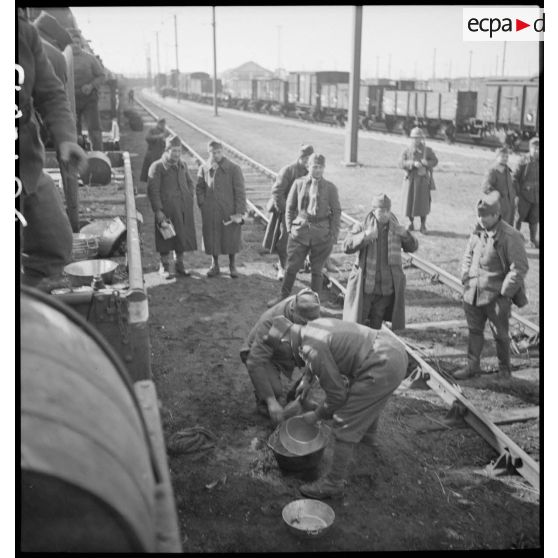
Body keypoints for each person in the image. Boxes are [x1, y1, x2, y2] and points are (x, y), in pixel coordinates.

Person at [264, 315, 408, 499]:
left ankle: (332, 483)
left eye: (282, 351)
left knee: (345, 421)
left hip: (381, 363)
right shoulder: (311, 328)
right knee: (366, 403)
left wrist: (316, 415)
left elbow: (337, 396)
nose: (286, 357)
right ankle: (367, 440)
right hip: (392, 350)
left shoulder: (311, 347)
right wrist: (307, 379)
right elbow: (318, 352)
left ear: (286, 342)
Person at [18, 10, 88, 290]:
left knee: (55, 241)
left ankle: (33, 305)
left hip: (27, 158)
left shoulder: (24, 32)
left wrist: (65, 137)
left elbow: (51, 91)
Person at [453, 192, 528, 381]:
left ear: (496, 215)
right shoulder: (478, 231)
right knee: (474, 331)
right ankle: (472, 366)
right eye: (479, 215)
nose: (481, 219)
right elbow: (468, 255)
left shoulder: (510, 236)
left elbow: (519, 267)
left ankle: (504, 370)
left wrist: (504, 292)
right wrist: (465, 276)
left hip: (496, 297)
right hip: (473, 293)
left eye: (484, 215)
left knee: (501, 335)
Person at [267, 153, 341, 307]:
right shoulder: (298, 183)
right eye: (315, 166)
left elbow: (336, 212)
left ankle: (314, 303)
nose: (318, 170)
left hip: (321, 234)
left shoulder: (330, 188)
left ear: (324, 168)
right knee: (292, 266)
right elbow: (290, 207)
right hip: (300, 232)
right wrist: (289, 228)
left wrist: (333, 235)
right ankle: (283, 296)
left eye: (321, 167)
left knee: (317, 270)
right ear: (308, 167)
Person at [240, 288, 321, 423]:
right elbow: (255, 362)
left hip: (285, 347)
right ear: (292, 311)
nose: (309, 326)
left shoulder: (310, 307)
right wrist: (271, 400)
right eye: (304, 322)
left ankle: (297, 396)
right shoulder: (275, 325)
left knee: (318, 358)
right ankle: (264, 403)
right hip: (262, 354)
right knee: (275, 391)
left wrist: (306, 380)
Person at [342, 193, 419, 330]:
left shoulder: (396, 228)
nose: (385, 214)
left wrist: (406, 235)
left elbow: (413, 247)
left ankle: (372, 348)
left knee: (376, 325)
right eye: (381, 211)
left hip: (386, 288)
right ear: (373, 211)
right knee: (358, 324)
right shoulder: (362, 226)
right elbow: (346, 246)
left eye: (388, 211)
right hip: (366, 287)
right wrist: (365, 236)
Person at [147, 135, 197, 276]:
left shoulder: (183, 165)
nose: (176, 154)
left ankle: (179, 264)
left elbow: (190, 183)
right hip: (166, 210)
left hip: (182, 208)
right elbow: (153, 191)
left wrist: (189, 195)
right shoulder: (157, 167)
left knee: (181, 236)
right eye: (174, 151)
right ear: (167, 150)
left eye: (179, 151)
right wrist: (158, 210)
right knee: (165, 237)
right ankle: (164, 266)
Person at [262, 144, 314, 280]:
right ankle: (282, 268)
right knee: (285, 240)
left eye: (310, 159)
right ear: (301, 157)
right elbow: (277, 192)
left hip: (305, 213)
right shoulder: (288, 170)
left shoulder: (311, 172)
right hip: (287, 212)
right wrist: (287, 212)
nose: (308, 162)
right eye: (306, 159)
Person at [196, 140, 247, 278]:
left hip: (229, 211)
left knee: (231, 238)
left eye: (218, 152)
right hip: (211, 211)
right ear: (209, 153)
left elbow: (240, 192)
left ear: (222, 152)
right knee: (213, 238)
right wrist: (203, 203)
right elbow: (199, 187)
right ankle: (215, 265)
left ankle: (232, 265)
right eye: (213, 153)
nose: (216, 155)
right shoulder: (204, 168)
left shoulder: (233, 168)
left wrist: (239, 211)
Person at [69, 29, 105, 151]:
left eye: (77, 43)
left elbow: (101, 76)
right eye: (72, 43)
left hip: (89, 100)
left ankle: (98, 156)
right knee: (74, 132)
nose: (75, 45)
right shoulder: (64, 59)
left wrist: (91, 86)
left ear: (81, 44)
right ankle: (79, 158)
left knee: (94, 129)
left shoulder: (90, 59)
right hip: (72, 101)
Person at [400, 127, 438, 234]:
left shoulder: (427, 150)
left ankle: (423, 225)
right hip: (410, 180)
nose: (416, 140)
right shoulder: (407, 150)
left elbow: (435, 161)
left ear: (421, 138)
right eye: (414, 138)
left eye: (418, 138)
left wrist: (426, 163)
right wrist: (411, 163)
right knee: (410, 203)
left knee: (423, 204)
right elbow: (400, 162)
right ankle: (410, 223)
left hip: (422, 181)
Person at [514, 137, 540, 249]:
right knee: (518, 218)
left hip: (537, 196)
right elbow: (514, 178)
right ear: (530, 148)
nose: (537, 151)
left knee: (535, 219)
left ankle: (533, 240)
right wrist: (517, 193)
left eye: (539, 148)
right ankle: (514, 240)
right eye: (535, 148)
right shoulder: (523, 160)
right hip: (523, 196)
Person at [482, 147, 516, 226]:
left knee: (508, 226)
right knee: (498, 226)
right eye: (502, 156)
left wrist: (514, 194)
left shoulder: (507, 170)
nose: (505, 159)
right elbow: (485, 187)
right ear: (497, 157)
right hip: (498, 204)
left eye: (507, 157)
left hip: (509, 203)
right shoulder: (493, 171)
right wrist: (497, 194)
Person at [140, 118, 170, 184]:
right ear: (158, 124)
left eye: (163, 124)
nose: (162, 125)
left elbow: (168, 141)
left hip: (161, 154)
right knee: (151, 172)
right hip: (152, 154)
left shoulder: (166, 131)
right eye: (161, 124)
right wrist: (159, 136)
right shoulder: (152, 130)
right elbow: (147, 138)